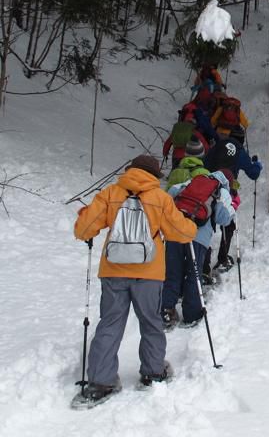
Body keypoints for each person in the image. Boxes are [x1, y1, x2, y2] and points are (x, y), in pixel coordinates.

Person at [73, 155, 197, 403]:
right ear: (153, 176)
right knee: (151, 322)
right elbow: (181, 233)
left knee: (109, 323)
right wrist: (191, 224)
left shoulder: (110, 193)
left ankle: (100, 381)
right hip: (149, 274)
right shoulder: (160, 198)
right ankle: (153, 373)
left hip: (113, 271)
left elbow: (83, 230)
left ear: (130, 171)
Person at [162, 170, 235, 328]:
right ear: (226, 182)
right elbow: (224, 219)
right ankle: (192, 314)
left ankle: (166, 311)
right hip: (197, 236)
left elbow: (170, 193)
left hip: (174, 232)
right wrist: (233, 207)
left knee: (172, 272)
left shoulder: (191, 182)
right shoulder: (221, 191)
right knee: (193, 274)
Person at [202, 136, 262, 272]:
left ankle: (204, 266)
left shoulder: (216, 147)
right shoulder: (239, 151)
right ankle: (222, 259)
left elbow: (204, 164)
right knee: (228, 223)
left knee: (207, 224)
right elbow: (253, 174)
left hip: (210, 188)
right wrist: (257, 165)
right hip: (227, 189)